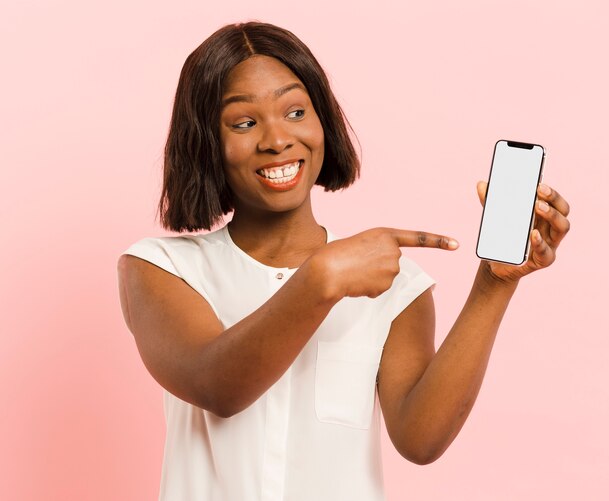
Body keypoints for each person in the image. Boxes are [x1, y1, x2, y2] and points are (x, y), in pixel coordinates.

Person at [117, 21, 570, 501]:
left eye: (295, 111)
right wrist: (321, 278)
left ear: (322, 123)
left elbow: (421, 439)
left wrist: (494, 284)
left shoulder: (394, 282)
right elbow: (218, 388)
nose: (276, 140)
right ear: (207, 142)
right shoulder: (160, 268)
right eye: (244, 122)